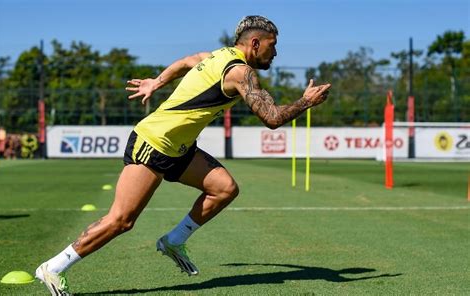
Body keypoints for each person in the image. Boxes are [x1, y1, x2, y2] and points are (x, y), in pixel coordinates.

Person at [35, 15, 331, 295]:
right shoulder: (241, 72)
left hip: (179, 148)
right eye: (272, 44)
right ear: (255, 43)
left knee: (224, 189)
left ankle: (174, 241)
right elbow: (273, 118)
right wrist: (305, 102)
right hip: (154, 142)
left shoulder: (217, 55)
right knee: (121, 220)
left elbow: (186, 62)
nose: (275, 52)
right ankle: (53, 267)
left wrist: (157, 81)